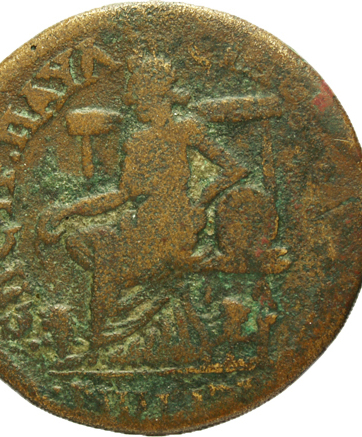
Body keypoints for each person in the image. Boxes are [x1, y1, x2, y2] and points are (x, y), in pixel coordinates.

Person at [38, 56, 247, 366]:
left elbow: (234, 168)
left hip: (175, 227)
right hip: (143, 224)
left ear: (155, 95)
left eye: (136, 94)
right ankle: (130, 310)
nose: (131, 102)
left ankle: (104, 333)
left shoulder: (185, 129)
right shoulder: (137, 141)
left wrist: (201, 203)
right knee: (79, 241)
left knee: (106, 249)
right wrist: (68, 211)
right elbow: (121, 196)